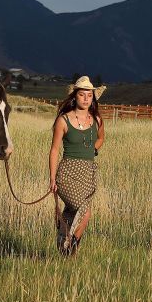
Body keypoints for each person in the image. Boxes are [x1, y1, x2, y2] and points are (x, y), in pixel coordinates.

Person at [49, 75, 106, 255]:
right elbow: (55, 150)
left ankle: (66, 243)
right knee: (83, 211)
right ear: (75, 96)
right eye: (82, 95)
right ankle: (71, 246)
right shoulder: (63, 120)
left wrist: (92, 150)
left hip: (88, 172)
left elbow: (101, 138)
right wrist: (52, 178)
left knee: (76, 211)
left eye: (89, 95)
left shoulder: (96, 119)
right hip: (67, 172)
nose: (86, 99)